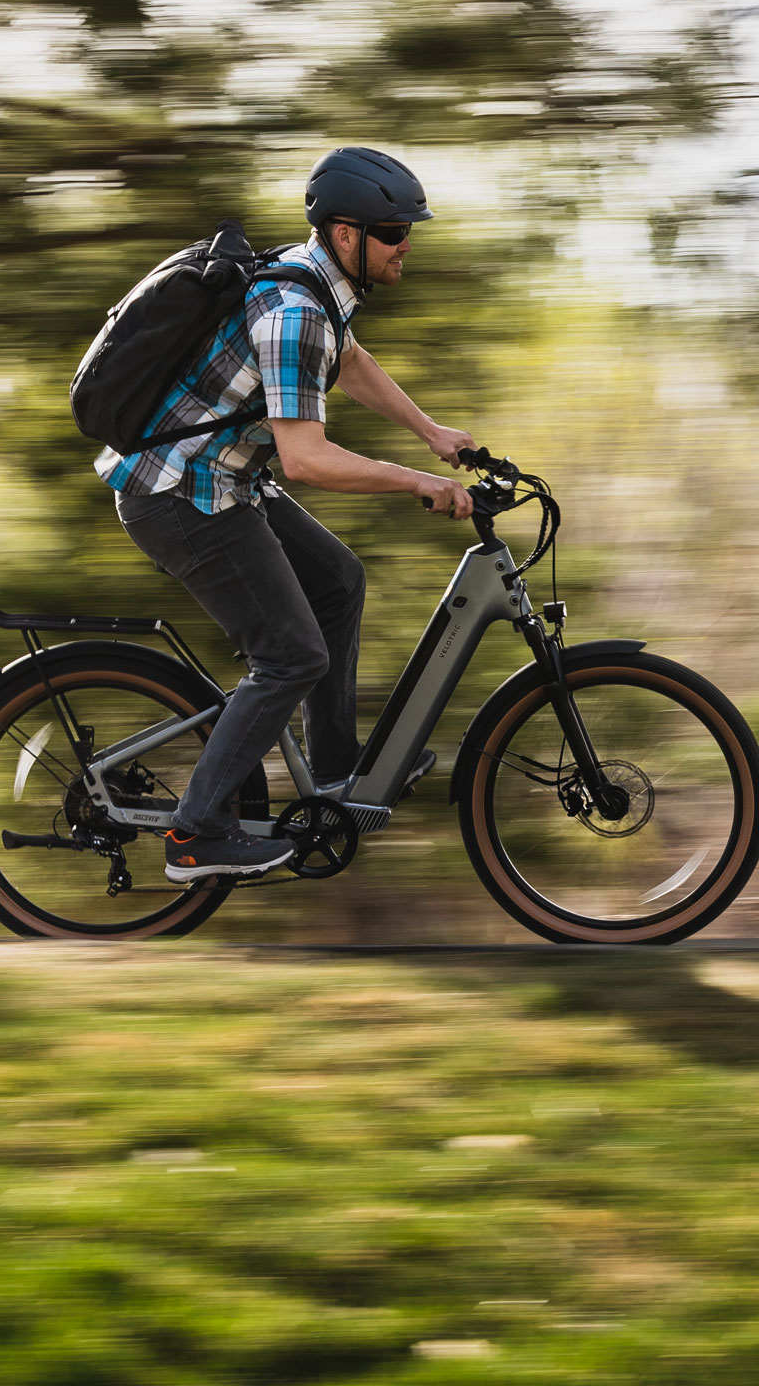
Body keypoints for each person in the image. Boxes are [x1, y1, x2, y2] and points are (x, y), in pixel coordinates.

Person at [95, 146, 479, 883]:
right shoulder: (296, 309)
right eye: (396, 231)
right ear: (346, 235)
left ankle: (335, 772)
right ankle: (196, 832)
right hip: (178, 496)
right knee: (292, 654)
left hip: (223, 479)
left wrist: (431, 430)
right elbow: (305, 458)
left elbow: (352, 361)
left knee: (337, 580)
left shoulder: (318, 289)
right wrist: (414, 481)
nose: (408, 245)